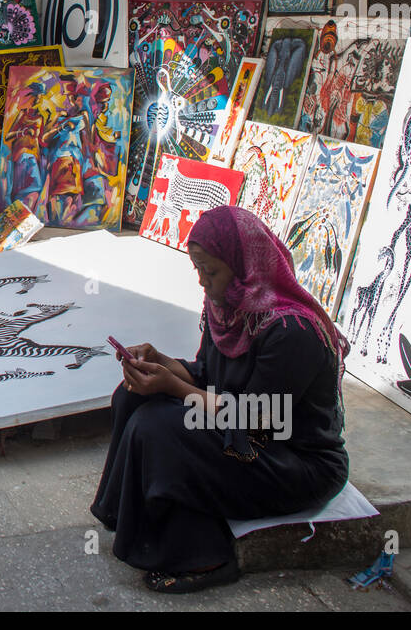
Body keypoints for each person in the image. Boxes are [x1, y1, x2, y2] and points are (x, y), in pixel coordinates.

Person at [91, 205, 348, 593]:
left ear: (244, 267)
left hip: (292, 461)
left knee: (160, 427)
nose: (203, 282)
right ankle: (132, 517)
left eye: (210, 271)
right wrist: (161, 363)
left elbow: (256, 417)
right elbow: (207, 377)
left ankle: (205, 556)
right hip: (246, 436)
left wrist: (174, 388)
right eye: (198, 270)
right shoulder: (227, 310)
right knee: (132, 400)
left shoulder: (291, 331)